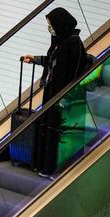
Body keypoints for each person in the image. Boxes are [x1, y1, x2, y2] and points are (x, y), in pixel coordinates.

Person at [22, 7, 89, 178]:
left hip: (64, 96)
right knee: (50, 129)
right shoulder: (59, 40)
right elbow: (53, 62)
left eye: (51, 24)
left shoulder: (73, 43)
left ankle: (59, 169)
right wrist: (35, 59)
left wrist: (66, 97)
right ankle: (47, 166)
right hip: (52, 92)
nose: (49, 28)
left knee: (59, 131)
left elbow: (74, 73)